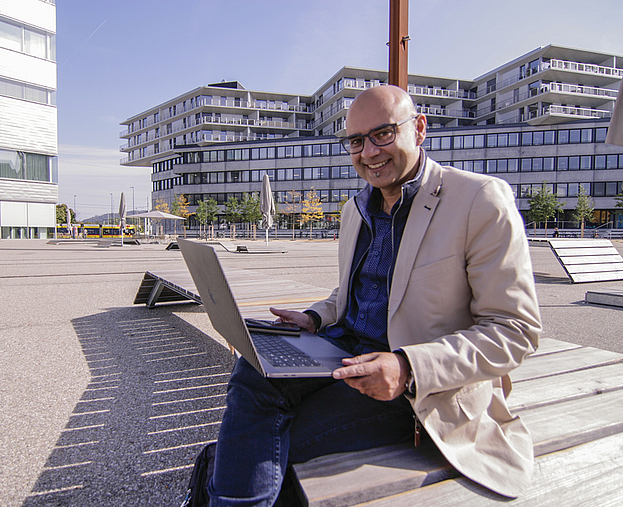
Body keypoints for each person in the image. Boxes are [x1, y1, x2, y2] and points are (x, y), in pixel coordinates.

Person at [205, 85, 541, 506]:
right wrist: (313, 318)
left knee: (273, 446)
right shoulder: (356, 208)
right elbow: (351, 293)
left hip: (414, 389)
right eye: (357, 141)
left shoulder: (479, 199)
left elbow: (515, 330)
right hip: (342, 352)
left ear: (418, 129)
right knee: (252, 374)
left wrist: (408, 365)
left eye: (383, 134)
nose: (369, 152)